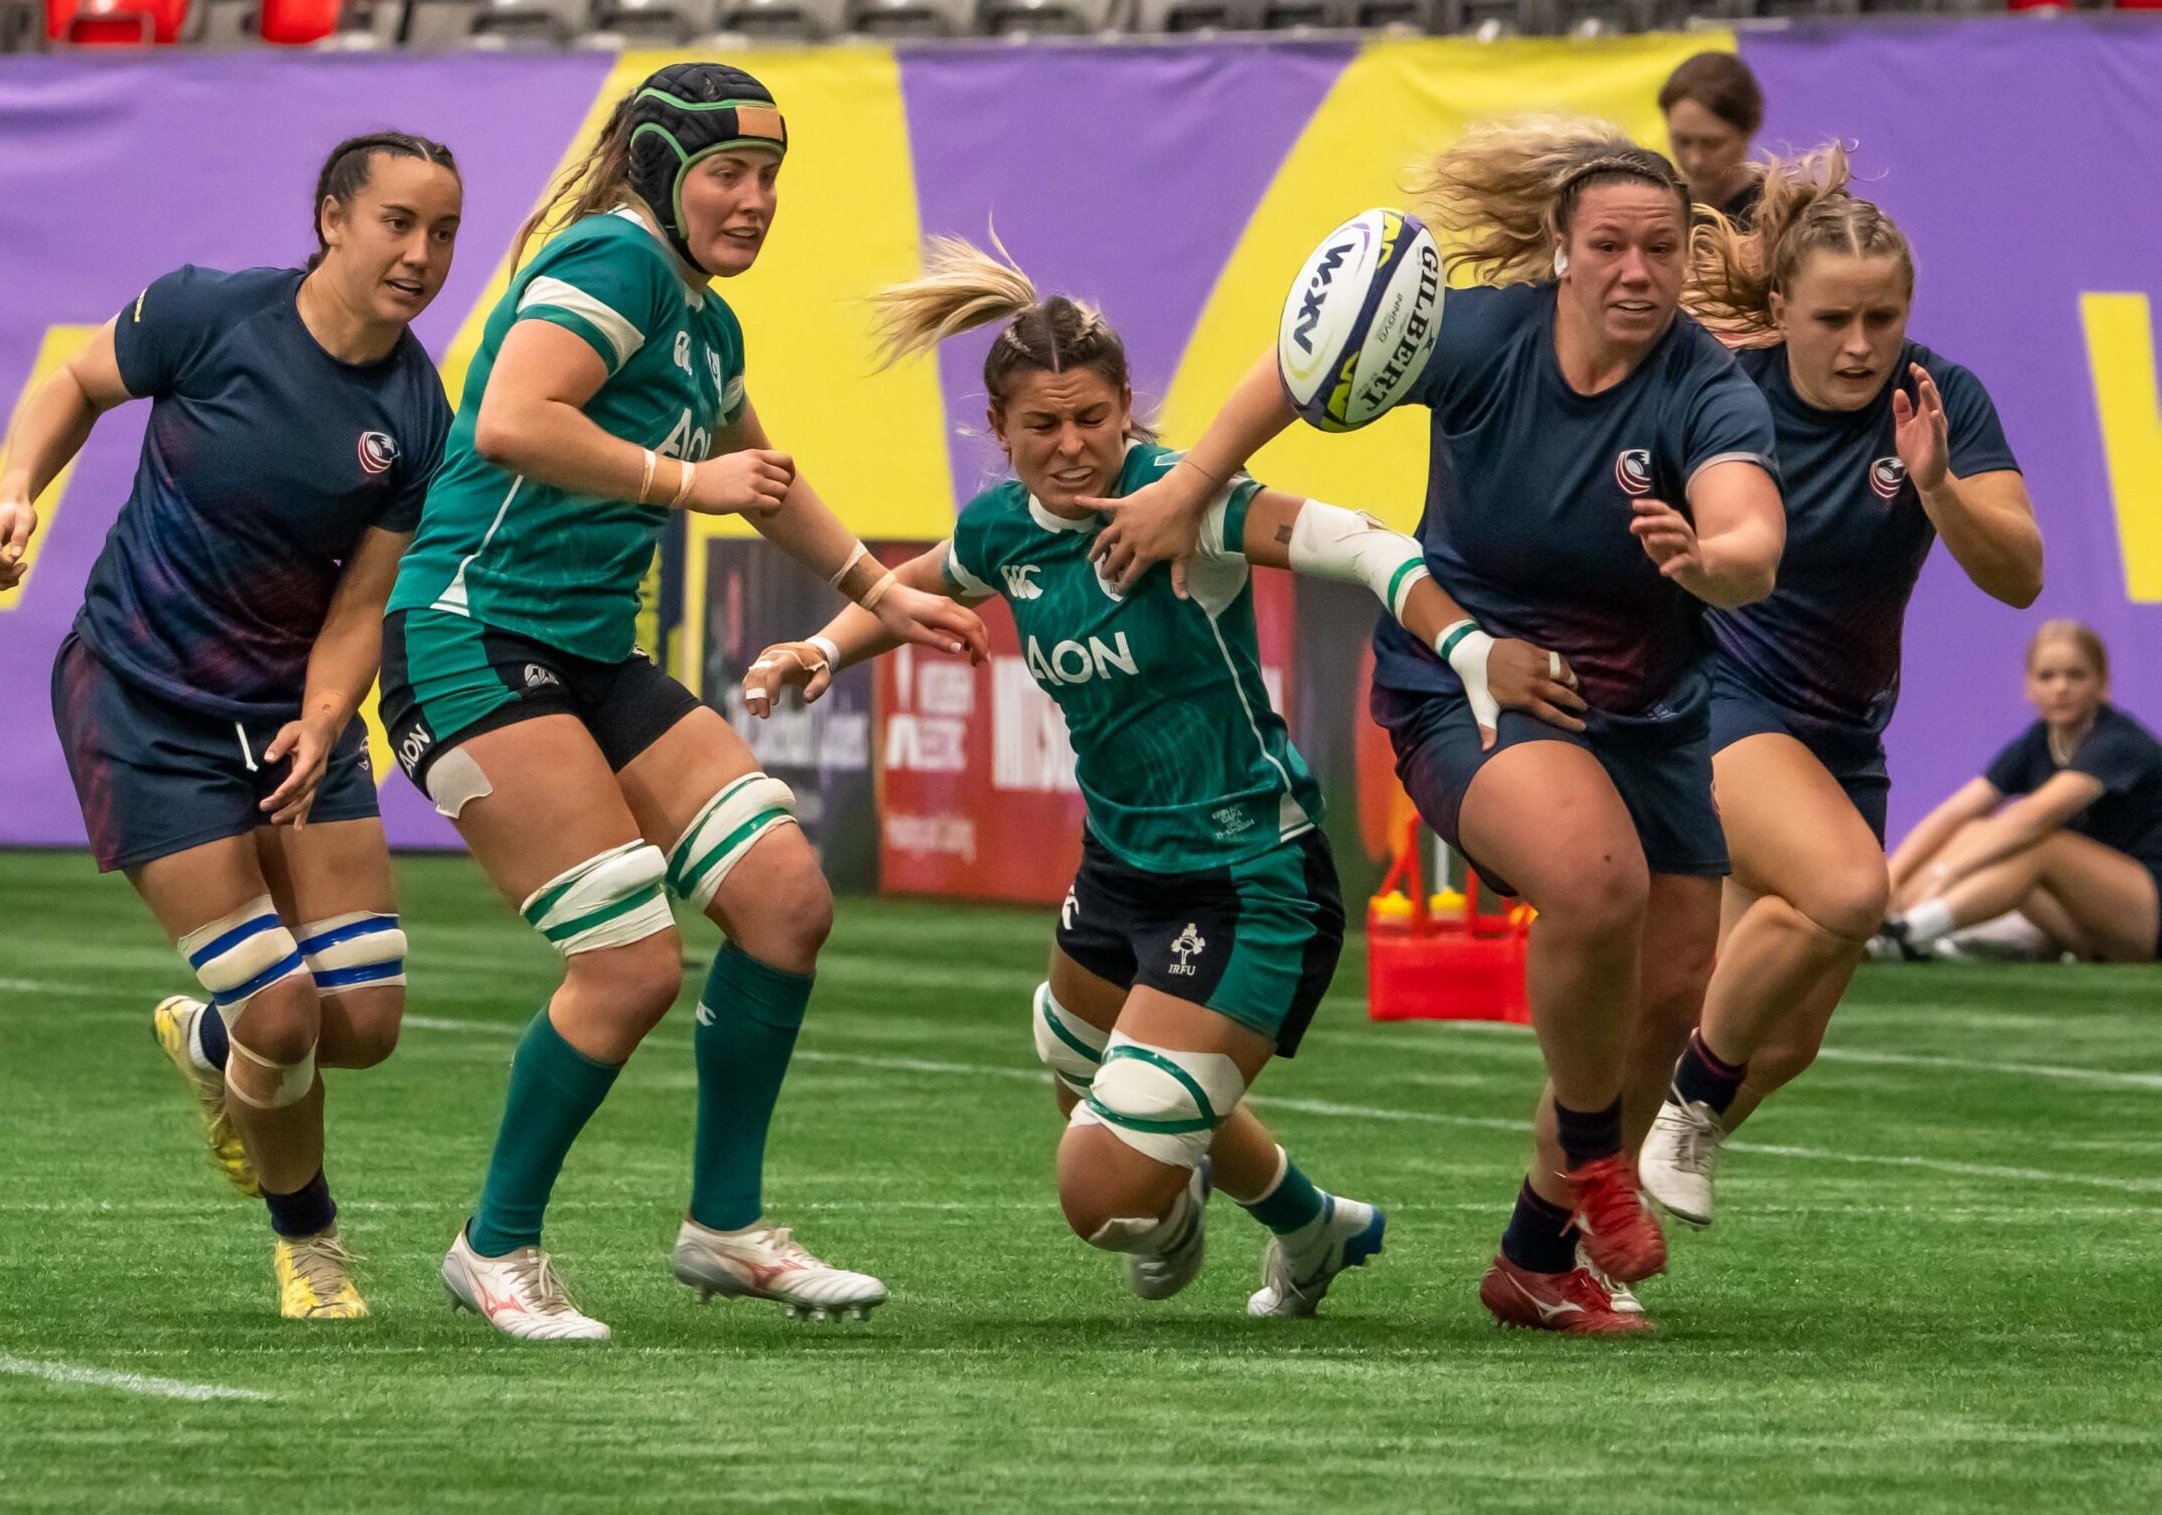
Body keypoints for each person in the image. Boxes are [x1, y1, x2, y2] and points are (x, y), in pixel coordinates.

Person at [746, 241, 1573, 1320]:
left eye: (1091, 416)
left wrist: (1467, 648)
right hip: (1121, 864)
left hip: (1247, 878)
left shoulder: (1184, 500)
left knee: (1101, 1192)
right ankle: (1311, 1225)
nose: (1071, 444)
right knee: (1068, 1045)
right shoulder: (1005, 529)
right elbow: (913, 584)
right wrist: (819, 648)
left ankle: (1168, 1198)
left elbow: (1372, 547)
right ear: (999, 432)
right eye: (1041, 426)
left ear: (1125, 407)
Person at [1086, 117, 1784, 1337]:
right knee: (1595, 881)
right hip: (1468, 682)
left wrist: (1711, 561)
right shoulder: (1478, 334)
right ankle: (1593, 1157)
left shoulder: (1705, 383)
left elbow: (1752, 534)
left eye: (1660, 249)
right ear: (1558, 255)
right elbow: (1298, 369)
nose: (1636, 271)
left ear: (1688, 258)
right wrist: (1188, 487)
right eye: (1610, 246)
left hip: (1653, 710)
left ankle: (1534, 1259)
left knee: (1670, 988)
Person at [381, 62, 988, 1342]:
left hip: (585, 654)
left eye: (769, 176)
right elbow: (507, 419)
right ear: (663, 172)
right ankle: (494, 1247)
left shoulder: (704, 321)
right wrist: (677, 480)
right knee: (628, 960)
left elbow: (760, 475)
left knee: (782, 900)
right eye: (728, 171)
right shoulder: (616, 262)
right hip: (466, 636)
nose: (757, 198)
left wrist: (885, 593)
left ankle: (726, 1227)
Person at [0, 133, 463, 1320]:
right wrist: (9, 494)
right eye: (397, 221)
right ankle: (313, 1247)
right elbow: (76, 385)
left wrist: (325, 716)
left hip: (296, 719)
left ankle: (207, 1046)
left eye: (442, 231)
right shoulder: (205, 314)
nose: (421, 254)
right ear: (332, 217)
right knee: (282, 1013)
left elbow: (359, 601)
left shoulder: (416, 409)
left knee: (365, 1023)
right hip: (143, 700)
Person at [1633, 147, 2043, 1231]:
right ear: (1780, 308)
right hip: (1717, 703)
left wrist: (1938, 486)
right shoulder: (1724, 394)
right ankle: (1683, 1112)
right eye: (1832, 320)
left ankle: (1576, 1205)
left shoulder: (1937, 398)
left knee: (1787, 1037)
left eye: (1882, 317)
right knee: (1850, 892)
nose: (1860, 344)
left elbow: (2019, 576)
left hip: (1843, 738)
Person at [1874, 622, 2162, 965]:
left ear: (2101, 682)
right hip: (2097, 924)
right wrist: (1890, 882)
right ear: (2029, 685)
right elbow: (1954, 814)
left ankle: (1908, 934)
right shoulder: (2038, 742)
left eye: (2076, 675)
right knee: (1976, 835)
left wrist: (1945, 874)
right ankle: (1884, 925)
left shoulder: (2118, 742)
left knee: (2039, 845)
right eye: (2047, 676)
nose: (2061, 688)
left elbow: (2031, 818)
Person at [1660, 51, 1768, 229]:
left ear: (1749, 129)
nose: (1695, 160)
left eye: (1712, 144)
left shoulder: (1777, 216)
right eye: (1683, 141)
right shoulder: (1657, 208)